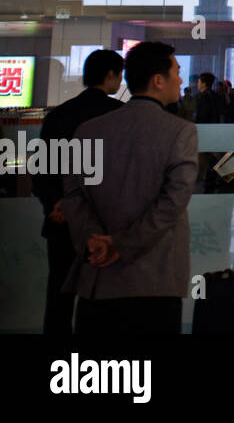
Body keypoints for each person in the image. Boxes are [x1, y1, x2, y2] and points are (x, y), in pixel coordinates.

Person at [60, 41, 196, 335]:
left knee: (99, 379)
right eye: (177, 71)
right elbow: (173, 202)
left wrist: (94, 241)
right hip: (155, 280)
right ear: (158, 80)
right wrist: (121, 244)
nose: (181, 80)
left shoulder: (89, 130)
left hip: (98, 278)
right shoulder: (180, 132)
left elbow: (72, 194)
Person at [32, 49, 124, 334]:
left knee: (59, 293)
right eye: (119, 75)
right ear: (110, 76)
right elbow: (119, 174)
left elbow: (43, 169)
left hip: (63, 222)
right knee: (102, 297)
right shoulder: (119, 115)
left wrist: (56, 205)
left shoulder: (60, 114)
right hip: (105, 224)